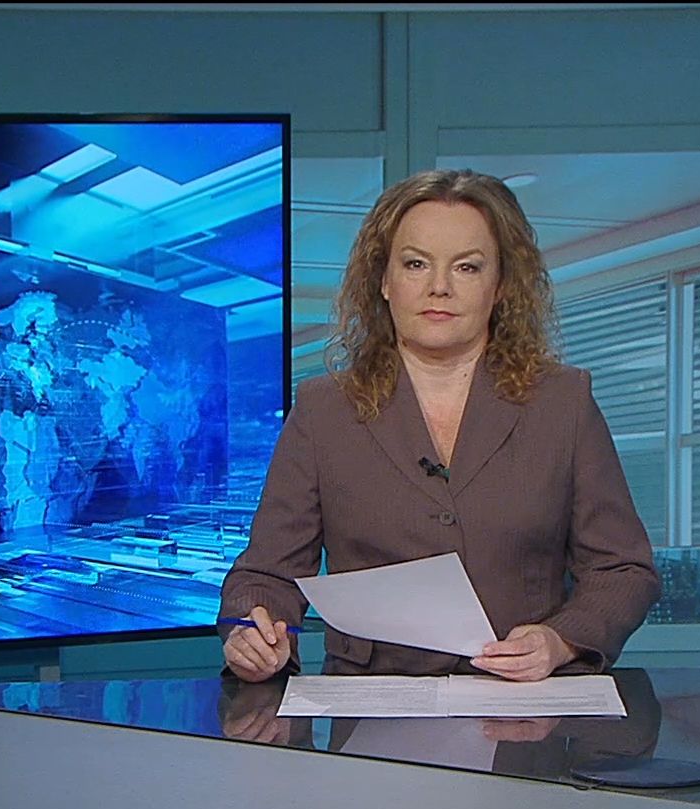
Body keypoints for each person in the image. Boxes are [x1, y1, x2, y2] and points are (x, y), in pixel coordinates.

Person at [219, 169, 660, 682]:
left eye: (467, 267)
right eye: (416, 264)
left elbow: (622, 569)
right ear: (384, 281)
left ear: (500, 286)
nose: (439, 287)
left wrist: (559, 640)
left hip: (525, 703)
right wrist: (254, 634)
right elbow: (267, 574)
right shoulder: (325, 410)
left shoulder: (563, 403)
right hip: (375, 704)